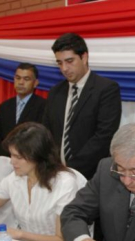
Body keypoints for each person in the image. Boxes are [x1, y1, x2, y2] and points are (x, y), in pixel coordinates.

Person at [0, 122, 81, 241]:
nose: (11, 161)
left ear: (38, 156)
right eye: (11, 155)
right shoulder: (14, 178)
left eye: (18, 157)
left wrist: (20, 234)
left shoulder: (64, 183)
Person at [42, 33, 122, 179]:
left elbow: (104, 137)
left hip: (92, 176)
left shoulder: (106, 89)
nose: (64, 68)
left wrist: (70, 169)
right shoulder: (55, 92)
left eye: (69, 61)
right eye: (59, 63)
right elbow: (47, 133)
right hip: (57, 175)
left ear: (84, 57)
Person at [0, 63, 46, 156]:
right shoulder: (4, 106)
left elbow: (42, 137)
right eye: (18, 78)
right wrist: (9, 156)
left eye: (26, 79)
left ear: (36, 83)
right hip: (7, 160)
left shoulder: (44, 106)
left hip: (31, 159)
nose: (21, 82)